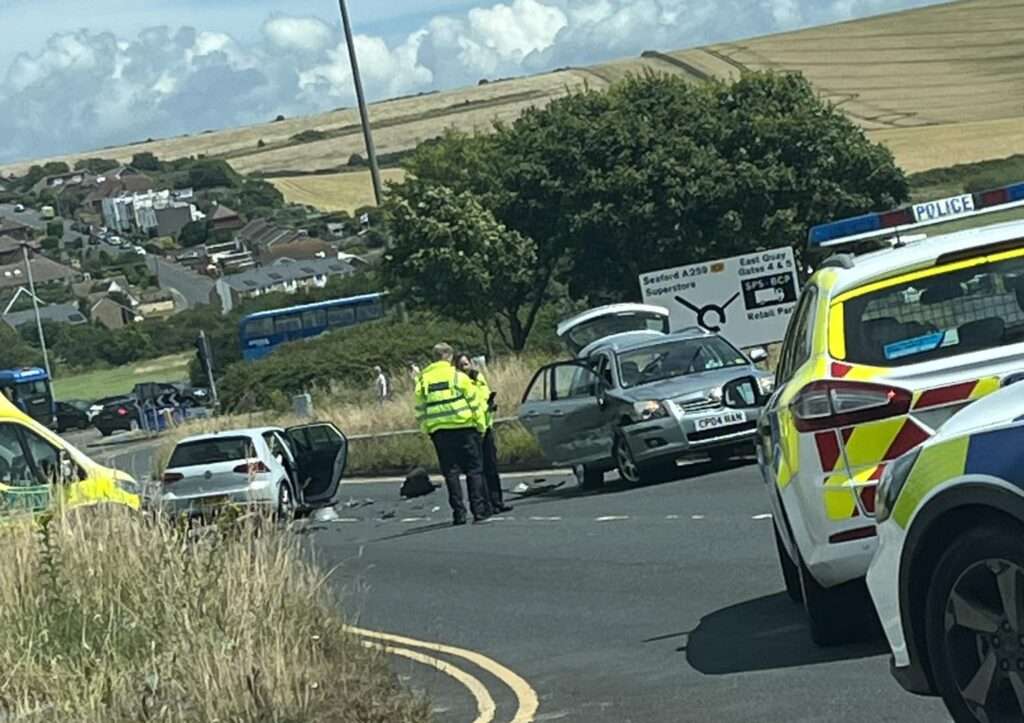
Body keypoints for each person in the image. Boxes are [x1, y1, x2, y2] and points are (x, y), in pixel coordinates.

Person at [414, 343, 490, 525]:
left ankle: (459, 513)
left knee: (451, 472)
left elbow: (420, 408)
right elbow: (475, 402)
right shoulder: (458, 376)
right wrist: (481, 426)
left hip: (440, 432)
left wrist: (427, 429)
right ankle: (478, 511)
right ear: (449, 356)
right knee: (474, 470)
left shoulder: (424, 380)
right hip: (465, 428)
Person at [455, 352, 513, 515]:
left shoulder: (478, 377)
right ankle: (485, 504)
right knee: (477, 470)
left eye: (466, 364)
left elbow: (484, 395)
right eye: (460, 365)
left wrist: (490, 403)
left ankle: (497, 502)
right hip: (471, 429)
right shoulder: (458, 382)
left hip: (486, 425)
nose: (464, 368)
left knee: (491, 466)